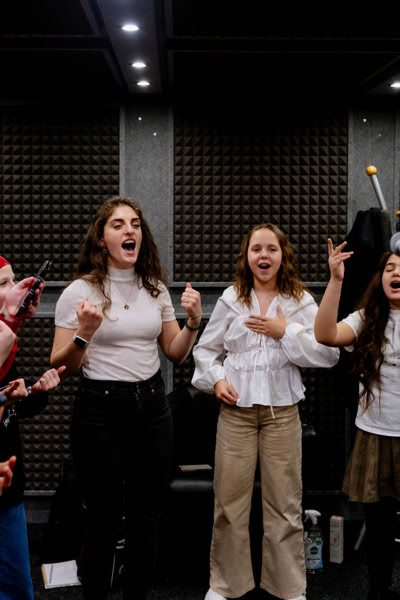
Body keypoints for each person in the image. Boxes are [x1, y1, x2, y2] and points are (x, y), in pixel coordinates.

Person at [50, 196, 202, 600]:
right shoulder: (80, 291)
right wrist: (84, 333)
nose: (129, 230)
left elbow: (175, 352)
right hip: (99, 410)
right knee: (102, 517)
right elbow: (62, 365)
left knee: (146, 518)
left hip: (151, 408)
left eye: (134, 223)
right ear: (101, 239)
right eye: (117, 225)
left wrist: (192, 323)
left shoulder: (155, 287)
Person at [192, 224, 339, 600]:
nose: (263, 255)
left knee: (285, 505)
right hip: (236, 414)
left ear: (282, 255)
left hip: (282, 415)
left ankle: (288, 588)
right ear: (246, 257)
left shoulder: (300, 301)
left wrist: (284, 331)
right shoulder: (231, 299)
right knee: (229, 505)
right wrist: (217, 380)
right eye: (256, 248)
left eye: (271, 249)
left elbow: (328, 354)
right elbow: (205, 352)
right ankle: (225, 585)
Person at [315, 239, 400, 600]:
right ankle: (378, 592)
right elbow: (325, 334)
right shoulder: (366, 318)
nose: (396, 273)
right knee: (379, 528)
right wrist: (335, 280)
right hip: (376, 435)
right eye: (390, 268)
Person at [0, 255, 65, 600]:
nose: (14, 288)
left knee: (17, 588)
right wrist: (11, 318)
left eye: (13, 280)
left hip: (9, 485)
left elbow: (12, 403)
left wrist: (36, 393)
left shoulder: (8, 337)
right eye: (3, 283)